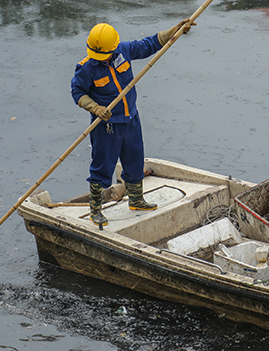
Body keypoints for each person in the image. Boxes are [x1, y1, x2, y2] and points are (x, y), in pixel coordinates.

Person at [71, 20, 191, 225]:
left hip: (130, 119)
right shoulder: (87, 68)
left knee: (135, 160)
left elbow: (149, 44)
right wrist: (95, 108)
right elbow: (78, 93)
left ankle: (136, 199)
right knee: (102, 166)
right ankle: (96, 209)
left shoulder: (122, 51)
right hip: (107, 126)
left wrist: (174, 31)